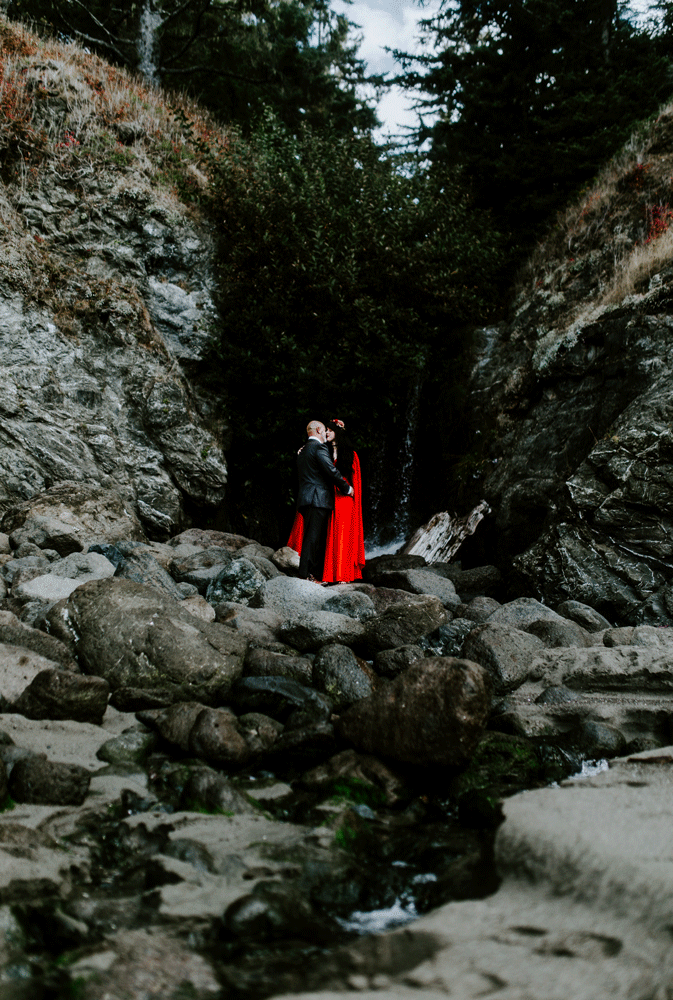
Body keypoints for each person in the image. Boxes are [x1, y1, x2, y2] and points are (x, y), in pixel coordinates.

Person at [288, 418, 365, 583]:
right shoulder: (321, 449)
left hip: (342, 498)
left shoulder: (349, 453)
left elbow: (351, 477)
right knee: (323, 536)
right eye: (325, 430)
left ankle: (341, 574)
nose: (327, 433)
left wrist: (348, 490)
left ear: (337, 432)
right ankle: (323, 574)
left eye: (329, 430)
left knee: (341, 534)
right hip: (326, 497)